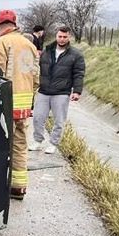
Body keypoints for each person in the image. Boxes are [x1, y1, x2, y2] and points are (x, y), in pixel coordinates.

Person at [0, 10, 39, 200]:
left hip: (5, 105)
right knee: (20, 146)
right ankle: (18, 187)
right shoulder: (29, 45)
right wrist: (30, 102)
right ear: (15, 24)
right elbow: (36, 78)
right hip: (23, 106)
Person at [29, 26, 85, 154]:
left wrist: (77, 91)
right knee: (37, 117)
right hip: (44, 90)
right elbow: (37, 67)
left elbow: (79, 73)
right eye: (60, 36)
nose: (62, 39)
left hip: (61, 92)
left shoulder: (76, 55)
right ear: (56, 36)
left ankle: (53, 143)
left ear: (69, 37)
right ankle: (38, 140)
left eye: (65, 37)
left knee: (59, 120)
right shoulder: (47, 51)